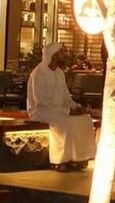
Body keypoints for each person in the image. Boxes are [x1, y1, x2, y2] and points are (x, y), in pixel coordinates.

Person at [26, 41, 97, 169]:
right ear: (53, 55)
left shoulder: (59, 73)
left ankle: (79, 158)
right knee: (66, 122)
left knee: (85, 120)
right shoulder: (39, 74)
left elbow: (66, 97)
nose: (64, 55)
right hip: (41, 111)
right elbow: (41, 102)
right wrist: (67, 111)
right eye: (61, 52)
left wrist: (76, 107)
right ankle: (60, 161)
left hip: (59, 110)